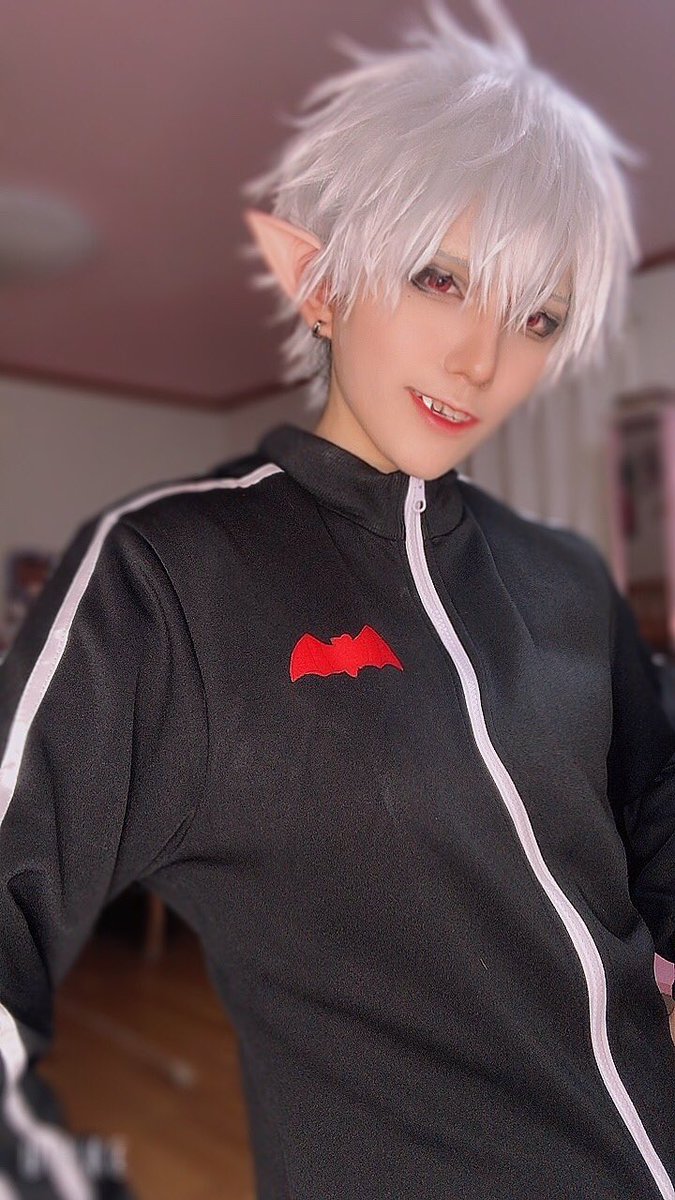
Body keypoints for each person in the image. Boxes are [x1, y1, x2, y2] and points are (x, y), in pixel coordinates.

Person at [1, 1, 674, 1197]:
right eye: (440, 278)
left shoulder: (565, 577)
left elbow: (654, 805)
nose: (483, 360)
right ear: (317, 281)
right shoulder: (166, 578)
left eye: (538, 317)